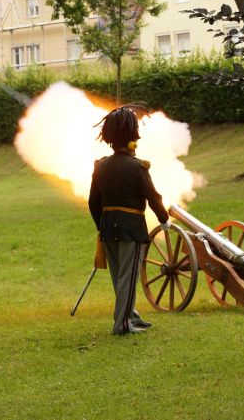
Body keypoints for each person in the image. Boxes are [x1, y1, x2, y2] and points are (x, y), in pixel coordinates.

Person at [88, 104, 170, 335]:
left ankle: (130, 315)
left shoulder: (100, 166)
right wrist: (163, 219)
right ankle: (123, 324)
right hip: (131, 228)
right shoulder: (138, 167)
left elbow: (93, 202)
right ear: (132, 136)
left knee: (119, 276)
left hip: (107, 227)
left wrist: (100, 225)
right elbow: (152, 197)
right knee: (128, 277)